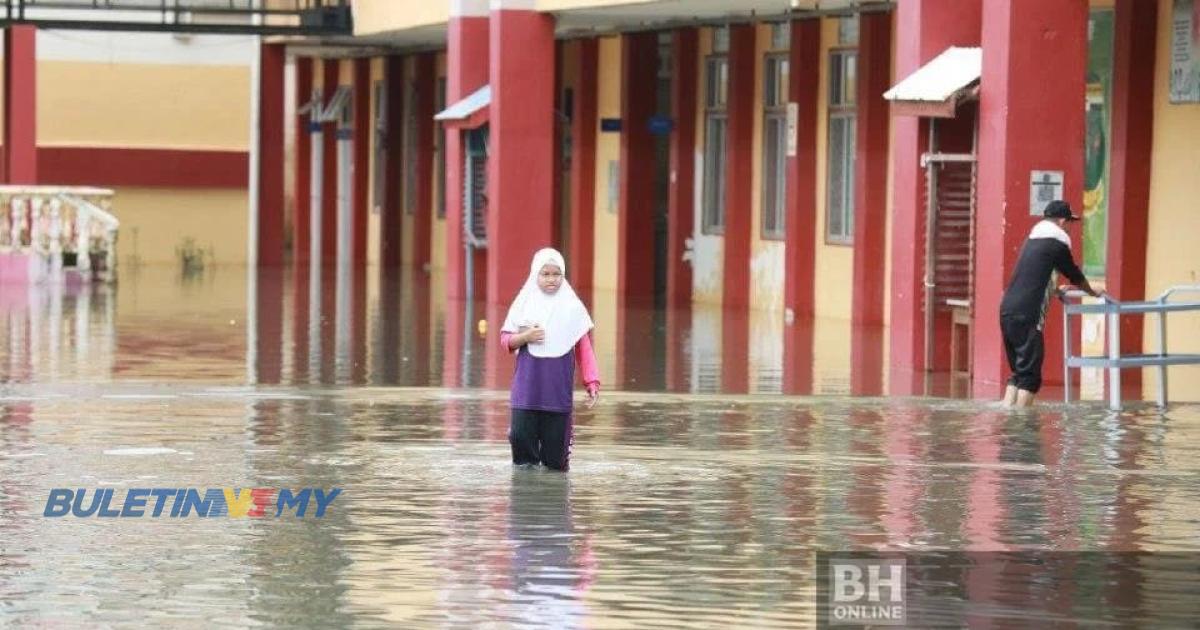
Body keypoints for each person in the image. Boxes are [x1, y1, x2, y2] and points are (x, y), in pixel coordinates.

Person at [500, 248, 599, 471]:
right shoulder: (524, 304)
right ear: (536, 274)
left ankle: (553, 504)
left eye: (557, 274)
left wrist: (592, 382)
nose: (551, 279)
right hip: (526, 393)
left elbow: (584, 349)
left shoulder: (572, 308)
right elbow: (506, 341)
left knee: (555, 463)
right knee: (521, 450)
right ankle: (525, 501)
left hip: (557, 396)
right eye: (545, 274)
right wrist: (525, 337)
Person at [999, 200, 1103, 408]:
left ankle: (1007, 418)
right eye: (1070, 223)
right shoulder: (1057, 242)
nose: (1070, 228)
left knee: (1019, 373)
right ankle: (1021, 428)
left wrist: (1054, 290)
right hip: (1028, 315)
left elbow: (1033, 275)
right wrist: (1093, 291)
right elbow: (1073, 274)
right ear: (1063, 221)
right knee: (1030, 377)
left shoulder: (1033, 240)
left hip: (1007, 311)